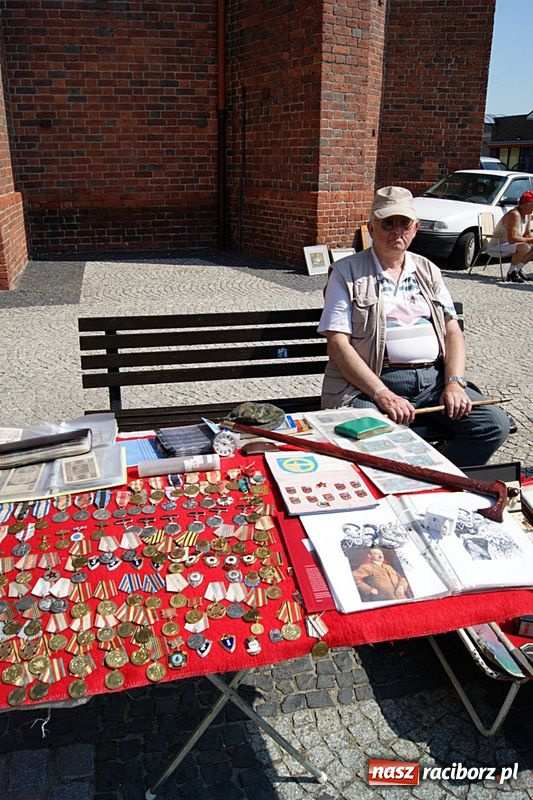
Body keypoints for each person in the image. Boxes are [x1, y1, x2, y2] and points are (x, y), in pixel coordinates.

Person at [319, 186, 510, 467]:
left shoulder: (427, 269)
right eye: (387, 223)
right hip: (371, 383)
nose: (396, 231)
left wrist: (454, 383)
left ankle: (434, 478)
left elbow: (452, 330)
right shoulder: (346, 272)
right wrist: (381, 393)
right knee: (369, 435)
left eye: (404, 223)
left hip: (433, 382)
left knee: (493, 425)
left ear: (415, 228)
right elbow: (337, 343)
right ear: (371, 228)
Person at [486, 190, 533, 283]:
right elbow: (512, 239)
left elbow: (527, 234)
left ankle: (517, 270)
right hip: (497, 246)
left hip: (508, 245)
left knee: (529, 246)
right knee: (524, 246)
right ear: (526, 205)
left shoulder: (527, 215)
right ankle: (511, 273)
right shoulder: (514, 214)